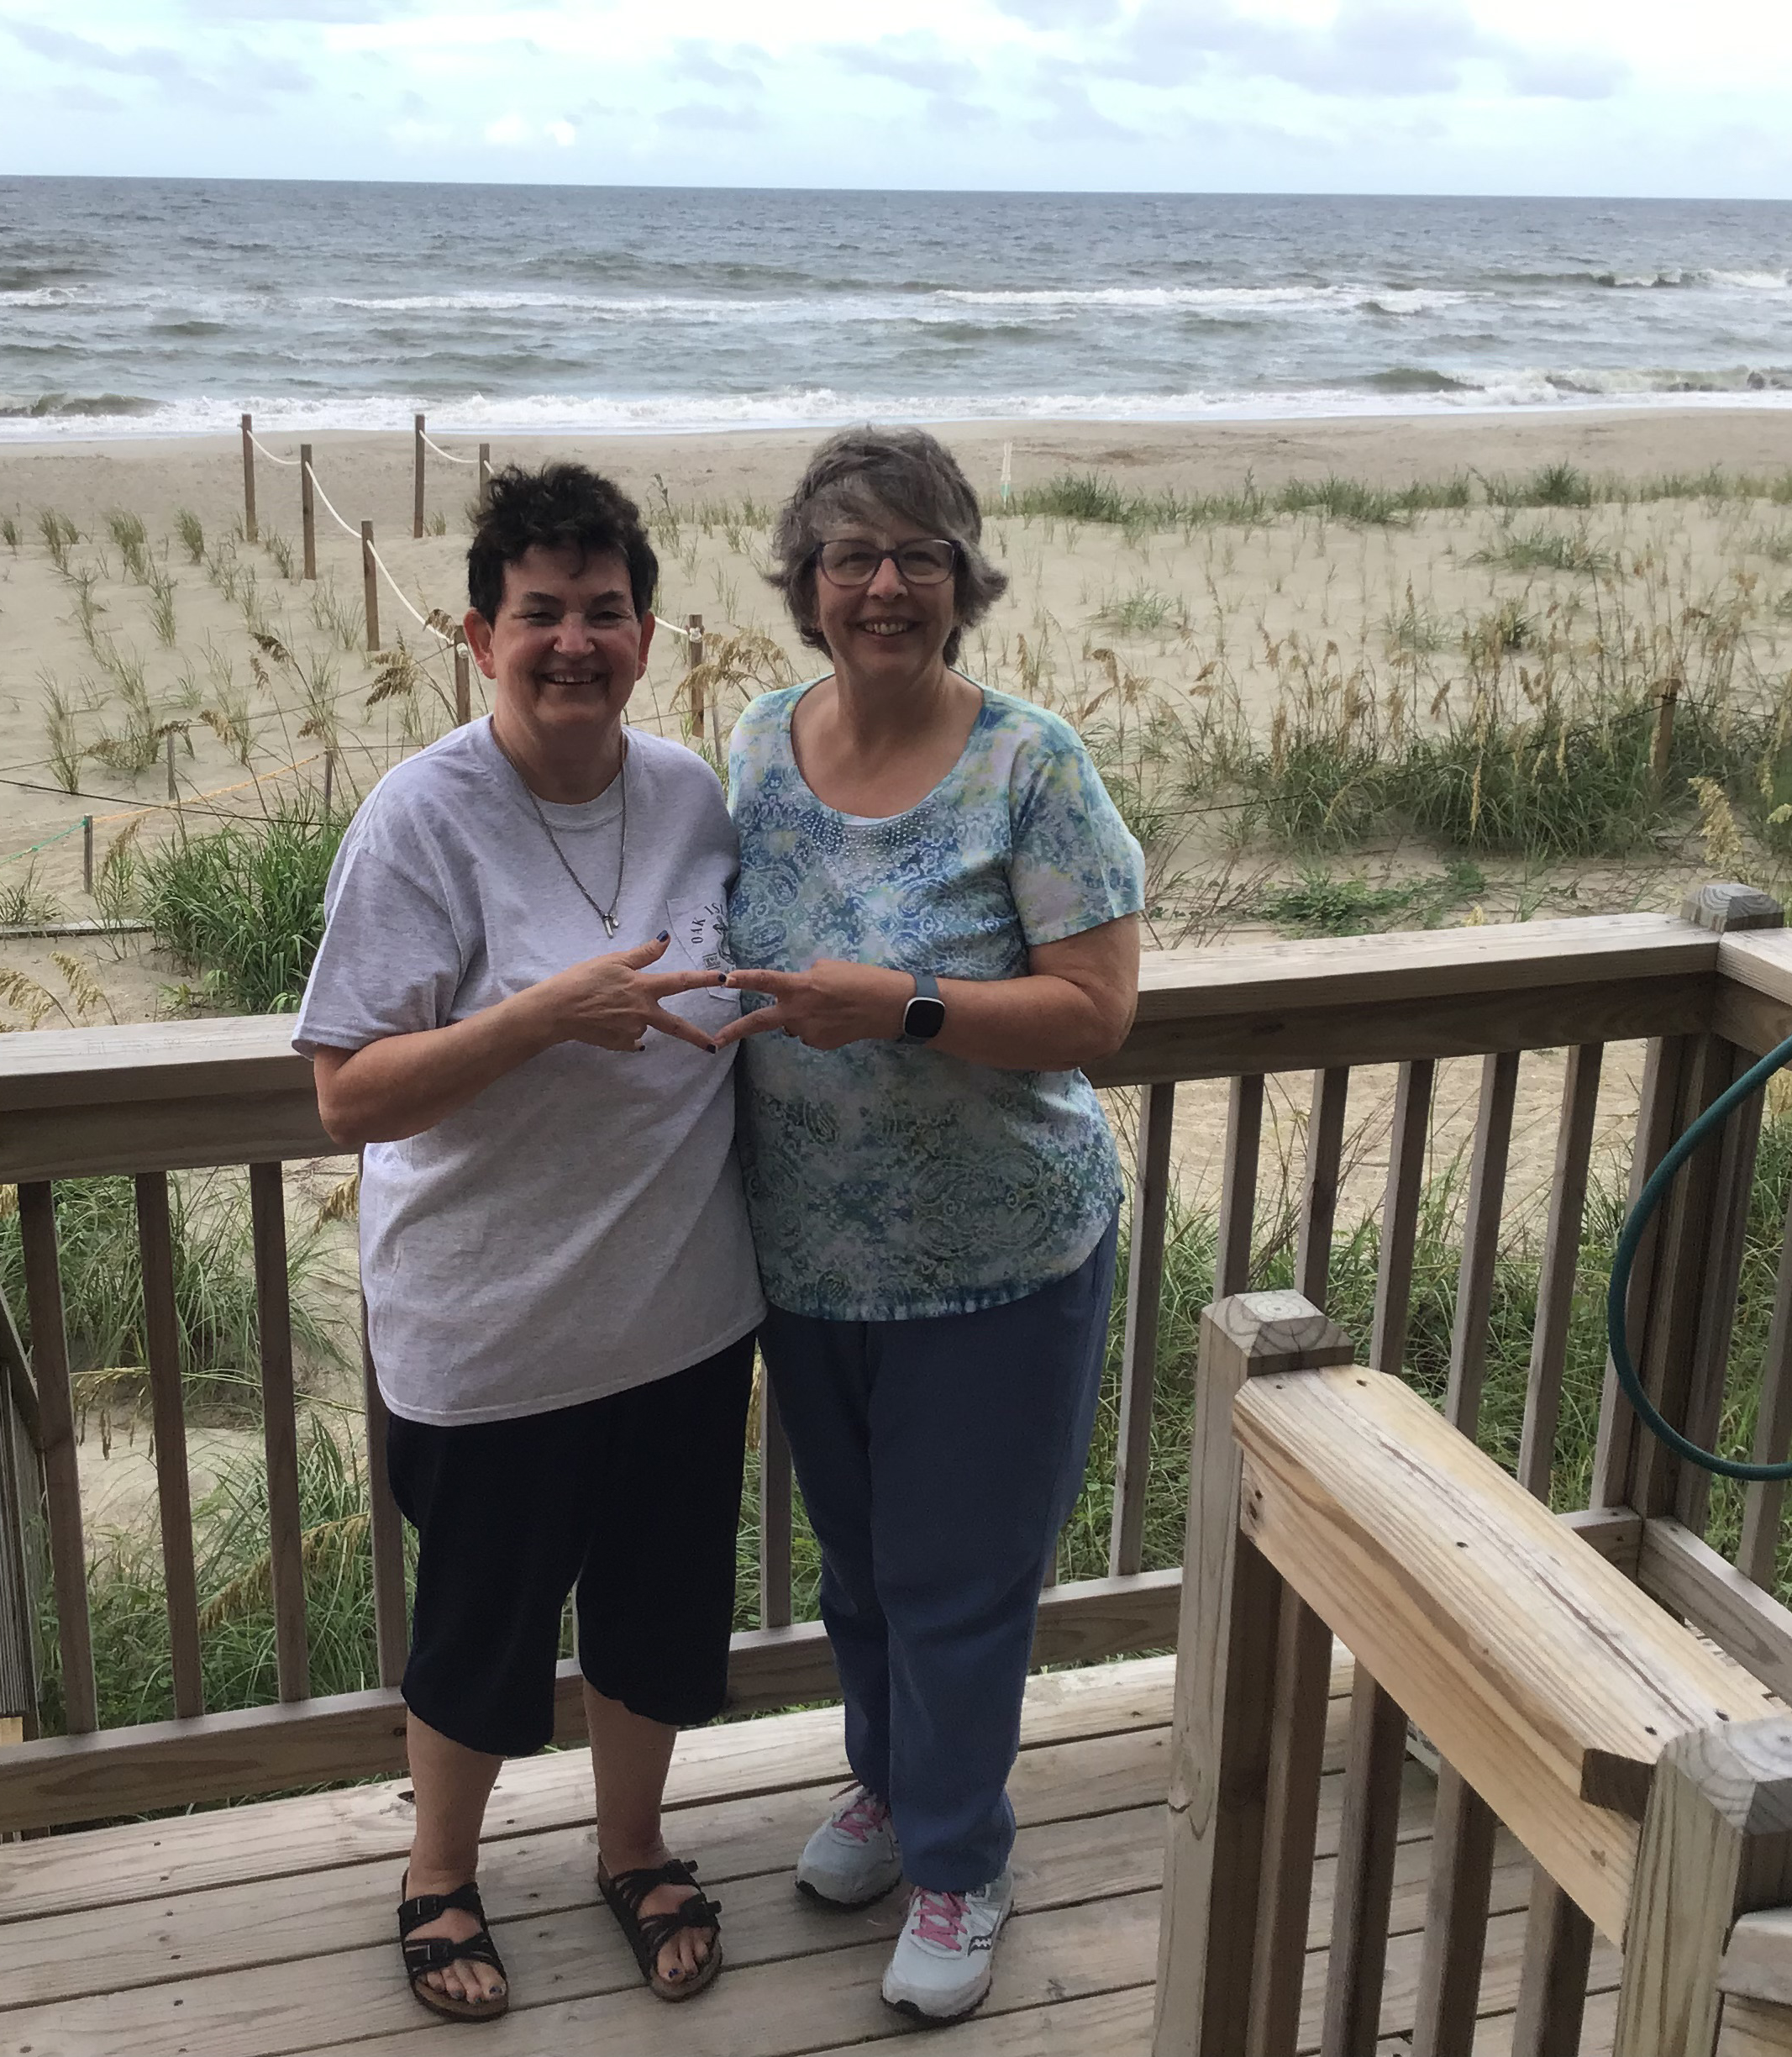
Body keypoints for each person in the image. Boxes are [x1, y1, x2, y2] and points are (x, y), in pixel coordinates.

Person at [294, 463, 759, 2023]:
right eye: (541, 612)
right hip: (491, 1331)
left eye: (605, 612)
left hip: (684, 1315)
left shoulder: (691, 795)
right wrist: (540, 1018)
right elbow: (349, 1094)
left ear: (647, 637)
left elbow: (733, 984)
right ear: (481, 635)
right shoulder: (421, 819)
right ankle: (439, 1871)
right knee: (481, 1631)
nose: (576, 641)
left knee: (657, 1617)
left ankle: (634, 1847)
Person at [716, 426, 1146, 2023]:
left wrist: (904, 1004)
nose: (884, 585)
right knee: (859, 1570)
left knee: (960, 1585)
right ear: (808, 582)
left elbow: (1096, 1013)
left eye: (918, 556)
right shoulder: (757, 744)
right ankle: (893, 1789)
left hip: (998, 1261)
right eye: (852, 555)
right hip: (809, 1261)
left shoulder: (1031, 765)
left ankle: (963, 1864)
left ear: (964, 581)